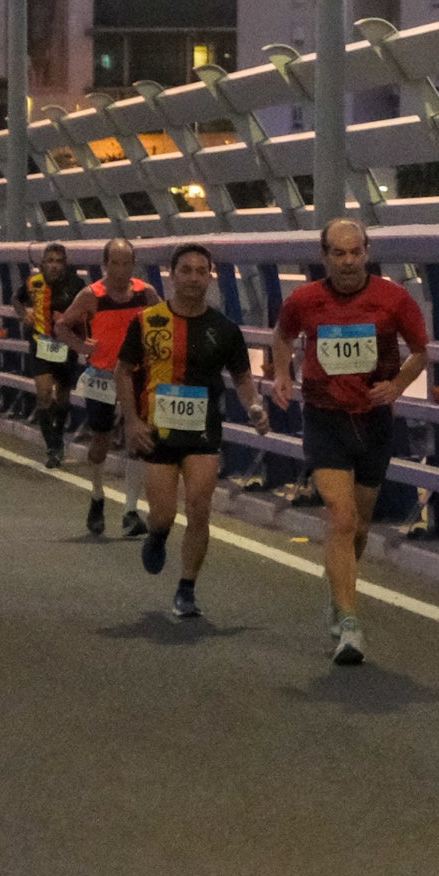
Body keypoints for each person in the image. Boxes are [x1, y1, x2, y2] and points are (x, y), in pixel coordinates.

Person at [267, 219, 433, 667]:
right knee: (340, 519)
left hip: (374, 419)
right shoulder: (304, 300)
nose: (347, 261)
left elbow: (421, 350)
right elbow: (281, 336)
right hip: (324, 418)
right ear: (324, 256)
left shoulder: (393, 298)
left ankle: (339, 593)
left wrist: (397, 385)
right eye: (337, 253)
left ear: (367, 252)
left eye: (354, 252)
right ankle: (350, 620)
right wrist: (282, 374)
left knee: (358, 526)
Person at [119, 243, 269, 621]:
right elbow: (124, 370)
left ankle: (186, 588)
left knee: (199, 507)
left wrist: (254, 407)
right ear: (172, 274)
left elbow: (241, 377)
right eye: (186, 270)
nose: (193, 277)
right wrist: (132, 420)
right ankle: (156, 535)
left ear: (210, 276)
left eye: (202, 271)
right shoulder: (147, 321)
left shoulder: (224, 329)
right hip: (158, 431)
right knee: (163, 515)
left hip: (202, 432)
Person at [53, 239, 161, 538]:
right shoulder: (91, 295)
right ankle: (98, 495)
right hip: (102, 375)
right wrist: (79, 345)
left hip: (136, 374)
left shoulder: (145, 293)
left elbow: (164, 323)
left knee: (137, 437)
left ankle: (130, 510)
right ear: (104, 264)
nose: (121, 269)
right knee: (100, 438)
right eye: (115, 263)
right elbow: (61, 326)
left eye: (127, 263)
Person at [20, 241, 88, 468]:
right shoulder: (33, 283)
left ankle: (58, 435)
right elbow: (17, 299)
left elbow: (87, 311)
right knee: (44, 393)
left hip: (65, 347)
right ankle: (51, 446)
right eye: (50, 261)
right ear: (42, 264)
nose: (55, 266)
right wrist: (24, 315)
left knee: (63, 399)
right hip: (40, 344)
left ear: (65, 264)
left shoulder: (76, 284)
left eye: (59, 261)